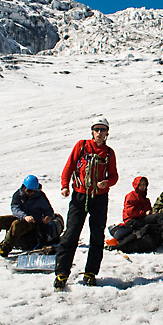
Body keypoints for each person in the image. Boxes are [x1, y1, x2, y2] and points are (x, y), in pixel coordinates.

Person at [54, 116, 119, 289]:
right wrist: (64, 186)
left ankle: (90, 272)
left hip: (100, 197)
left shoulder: (109, 153)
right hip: (80, 196)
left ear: (107, 133)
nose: (99, 133)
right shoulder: (81, 146)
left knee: (97, 235)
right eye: (96, 129)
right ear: (92, 131)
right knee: (71, 233)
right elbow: (69, 166)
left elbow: (114, 175)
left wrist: (107, 183)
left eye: (102, 130)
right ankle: (61, 272)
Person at [0, 175, 59, 257]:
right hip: (22, 218)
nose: (31, 193)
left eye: (34, 191)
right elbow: (15, 208)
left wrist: (48, 217)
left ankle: (6, 247)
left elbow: (49, 210)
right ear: (24, 187)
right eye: (29, 191)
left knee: (16, 224)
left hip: (34, 222)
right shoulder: (18, 195)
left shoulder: (41, 196)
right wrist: (24, 216)